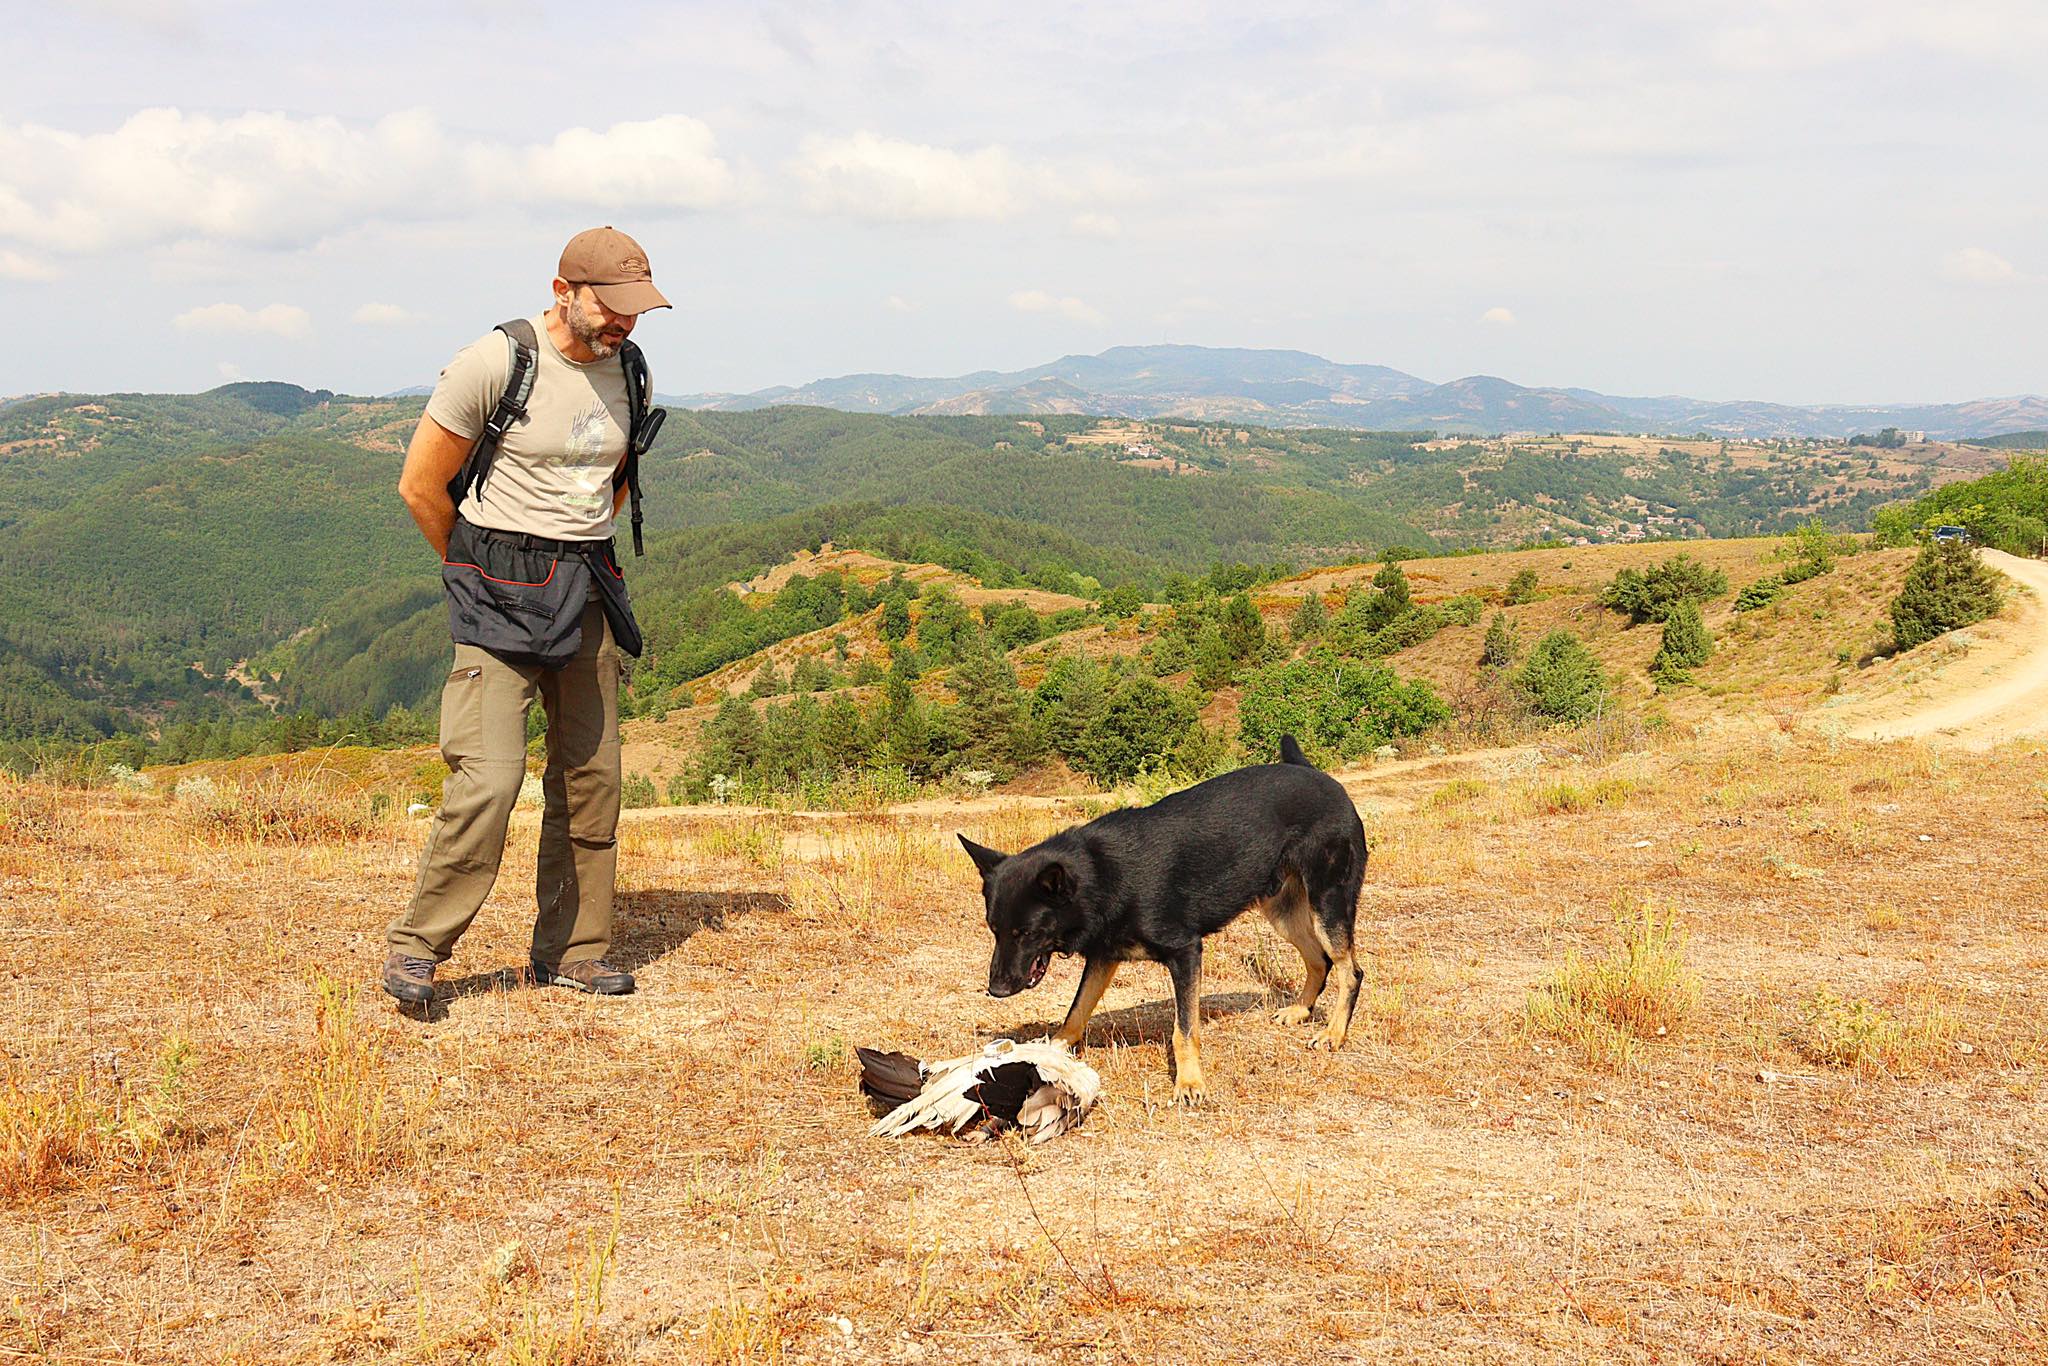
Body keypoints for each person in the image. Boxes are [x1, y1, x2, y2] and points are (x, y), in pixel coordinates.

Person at [381, 226, 669, 1004]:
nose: (624, 324)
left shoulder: (631, 369)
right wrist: (475, 572)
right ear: (562, 291)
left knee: (591, 780)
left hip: (587, 588)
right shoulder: (495, 363)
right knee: (489, 778)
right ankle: (417, 948)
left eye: (637, 310)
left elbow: (614, 479)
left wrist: (580, 543)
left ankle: (573, 950)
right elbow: (419, 486)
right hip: (496, 590)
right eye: (611, 307)